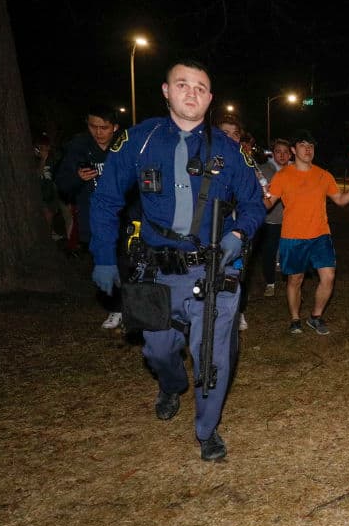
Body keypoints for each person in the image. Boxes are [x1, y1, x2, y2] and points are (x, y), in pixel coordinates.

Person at [89, 58, 265, 461]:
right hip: (157, 272)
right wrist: (103, 256)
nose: (191, 93)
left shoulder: (229, 150)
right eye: (182, 84)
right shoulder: (140, 140)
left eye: (200, 87)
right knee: (157, 350)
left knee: (212, 355)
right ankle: (170, 385)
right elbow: (105, 200)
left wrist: (238, 234)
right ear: (166, 91)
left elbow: (254, 203)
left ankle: (207, 430)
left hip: (214, 269)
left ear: (210, 98)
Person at [266, 130, 349, 335]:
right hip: (293, 236)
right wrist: (259, 195)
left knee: (329, 276)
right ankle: (295, 318)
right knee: (295, 280)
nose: (308, 149)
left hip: (320, 235)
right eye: (303, 145)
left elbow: (340, 201)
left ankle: (315, 316)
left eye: (311, 146)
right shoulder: (282, 176)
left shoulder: (323, 175)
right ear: (293, 150)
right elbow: (268, 204)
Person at [55, 105, 126, 329]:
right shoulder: (78, 148)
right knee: (104, 263)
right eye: (93, 126)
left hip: (123, 218)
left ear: (115, 127)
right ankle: (115, 308)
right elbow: (62, 183)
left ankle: (133, 307)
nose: (98, 132)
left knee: (127, 263)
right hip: (93, 219)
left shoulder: (125, 147)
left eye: (104, 127)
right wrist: (77, 177)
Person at [214, 111, 252, 331]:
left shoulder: (245, 164)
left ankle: (238, 312)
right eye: (224, 133)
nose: (229, 138)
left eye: (235, 134)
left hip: (238, 230)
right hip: (208, 231)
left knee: (237, 271)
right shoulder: (205, 162)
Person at [258, 139, 291, 298]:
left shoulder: (295, 170)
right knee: (269, 251)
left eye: (285, 152)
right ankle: (270, 282)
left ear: (290, 154)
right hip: (271, 219)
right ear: (272, 153)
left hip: (292, 220)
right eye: (278, 151)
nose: (282, 155)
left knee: (290, 251)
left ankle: (293, 282)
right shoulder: (263, 170)